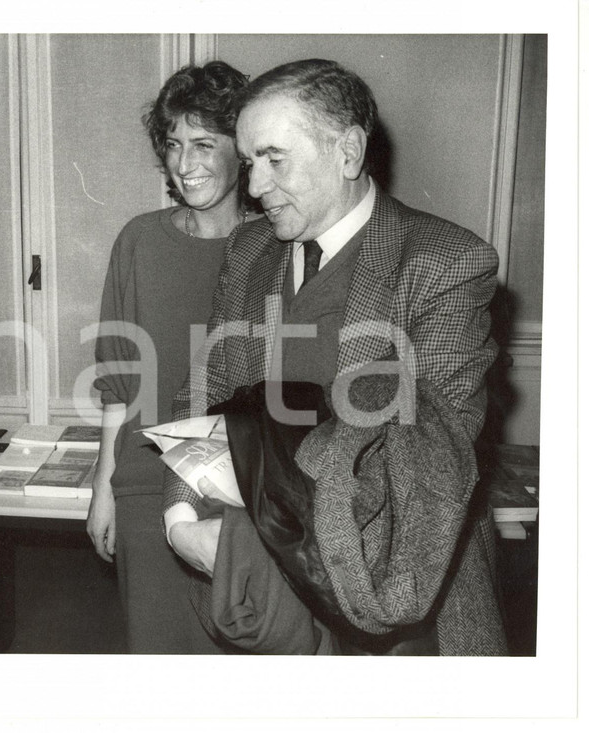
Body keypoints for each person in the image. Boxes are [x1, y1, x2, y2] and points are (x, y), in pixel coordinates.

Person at [162, 59, 507, 655]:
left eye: (275, 158)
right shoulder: (250, 250)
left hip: (392, 603)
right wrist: (180, 521)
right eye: (249, 163)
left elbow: (422, 468)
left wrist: (249, 538)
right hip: (260, 605)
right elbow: (203, 394)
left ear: (348, 152)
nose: (255, 186)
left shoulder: (446, 264)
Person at [88, 61, 258, 653]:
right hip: (142, 490)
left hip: (240, 499)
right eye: (173, 144)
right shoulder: (139, 240)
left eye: (205, 144)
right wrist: (103, 489)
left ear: (244, 149)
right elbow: (118, 383)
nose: (185, 164)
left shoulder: (274, 249)